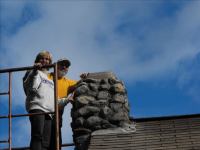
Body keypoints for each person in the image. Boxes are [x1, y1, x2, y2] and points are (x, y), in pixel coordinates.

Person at [23, 51, 54, 150]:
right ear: (37, 60)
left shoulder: (50, 79)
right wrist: (35, 71)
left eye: (47, 59)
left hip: (49, 111)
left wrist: (66, 100)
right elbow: (31, 88)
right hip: (37, 107)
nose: (44, 61)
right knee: (37, 136)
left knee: (46, 142)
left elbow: (52, 98)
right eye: (42, 58)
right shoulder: (31, 72)